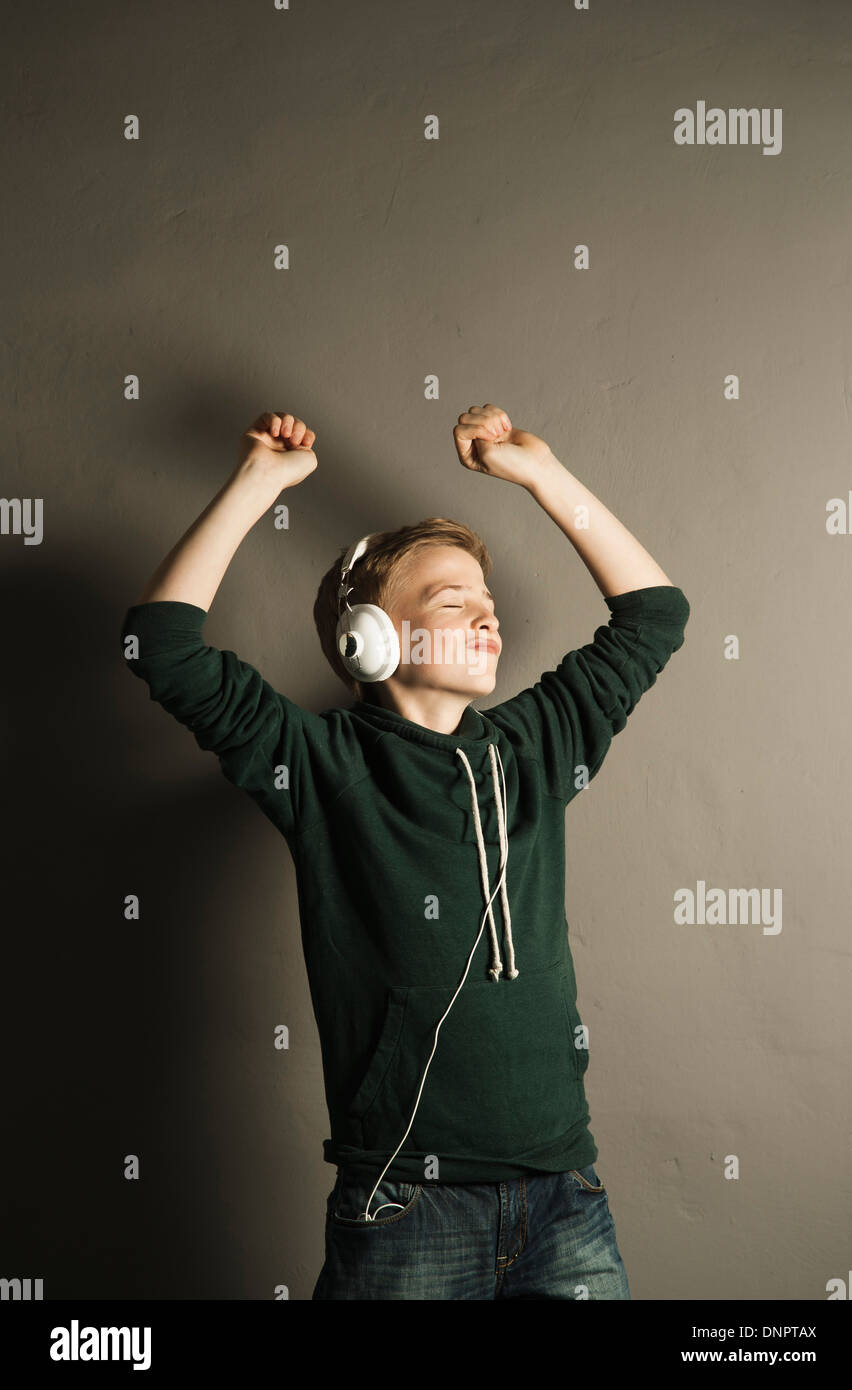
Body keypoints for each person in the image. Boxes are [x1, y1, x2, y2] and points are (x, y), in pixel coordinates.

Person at [121, 403, 690, 1299]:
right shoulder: (320, 765)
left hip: (564, 1194)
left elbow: (654, 615)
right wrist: (259, 484)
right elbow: (160, 645)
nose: (487, 620)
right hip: (406, 1207)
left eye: (489, 604)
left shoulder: (538, 744)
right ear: (369, 641)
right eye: (452, 602)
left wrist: (541, 473)